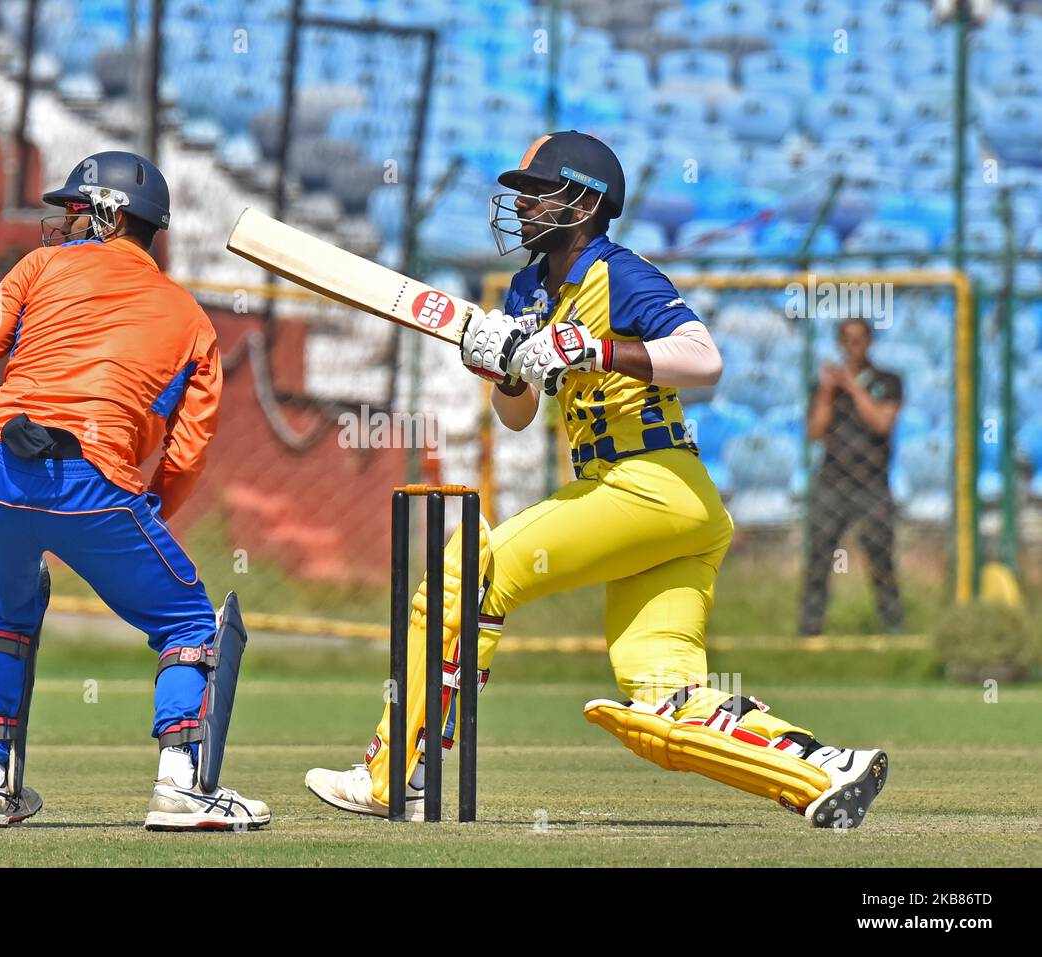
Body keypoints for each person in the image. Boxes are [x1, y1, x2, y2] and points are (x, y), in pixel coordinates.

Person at [305, 131, 888, 828]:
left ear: (582, 202)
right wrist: (502, 364)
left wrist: (595, 346)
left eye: (535, 193)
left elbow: (704, 360)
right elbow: (516, 415)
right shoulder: (528, 288)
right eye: (518, 193)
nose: (519, 207)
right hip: (666, 515)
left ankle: (399, 772)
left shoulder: (624, 274)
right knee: (662, 700)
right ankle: (823, 767)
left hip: (652, 482)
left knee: (473, 567)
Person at [0, 151, 268, 830]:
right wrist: (141, 524)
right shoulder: (192, 320)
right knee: (185, 620)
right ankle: (179, 785)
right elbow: (186, 454)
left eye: (75, 212)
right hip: (98, 485)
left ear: (111, 215)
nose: (64, 225)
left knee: (2, 602)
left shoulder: (37, 268)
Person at [799, 317, 905, 636]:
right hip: (832, 481)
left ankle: (894, 630)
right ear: (839, 343)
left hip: (872, 482)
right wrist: (829, 393)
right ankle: (810, 631)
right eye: (847, 339)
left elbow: (882, 423)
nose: (853, 345)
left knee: (881, 558)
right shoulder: (824, 385)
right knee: (819, 556)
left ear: (869, 342)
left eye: (859, 339)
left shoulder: (887, 381)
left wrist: (852, 386)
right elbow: (815, 432)